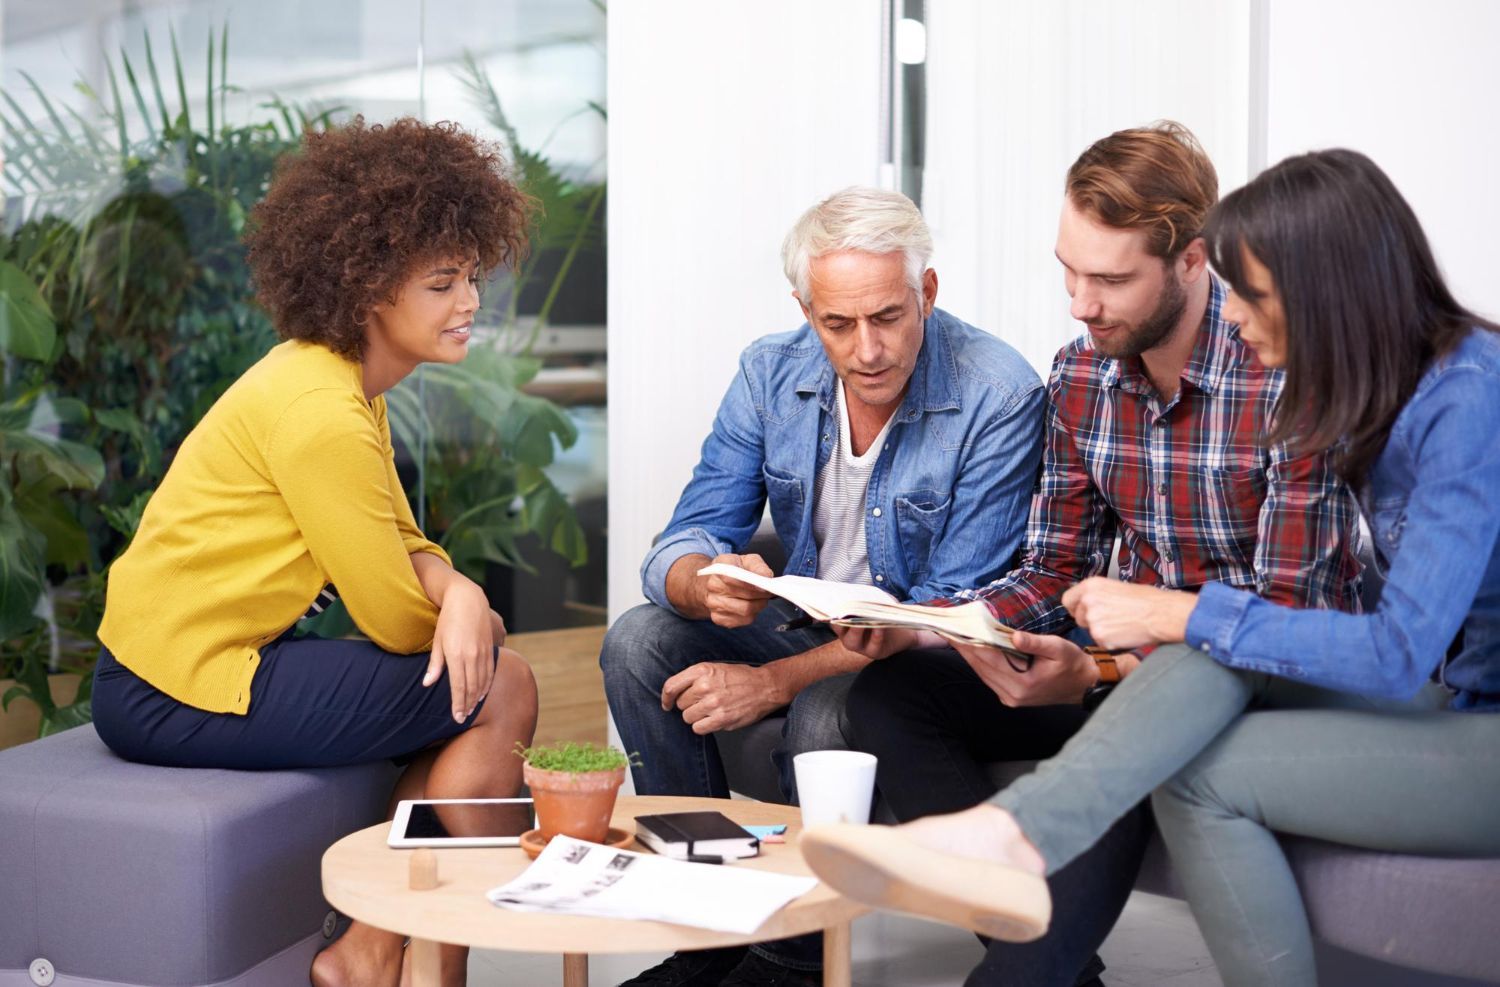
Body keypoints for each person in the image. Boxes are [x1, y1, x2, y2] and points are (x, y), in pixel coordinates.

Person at [803, 147, 1500, 987]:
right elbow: (1057, 563)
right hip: (1401, 690)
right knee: (921, 692)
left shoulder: (1458, 397)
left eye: (1257, 294)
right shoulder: (1376, 387)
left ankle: (1014, 843)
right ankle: (1005, 837)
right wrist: (946, 627)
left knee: (1192, 749)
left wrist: (1167, 620)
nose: (1238, 316)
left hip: (1443, 707)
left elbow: (1389, 648)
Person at [91, 118, 540, 987]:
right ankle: (408, 957)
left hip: (181, 668)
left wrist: (459, 592)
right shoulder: (323, 413)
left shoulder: (330, 377)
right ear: (369, 286)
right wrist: (459, 603)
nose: (470, 302)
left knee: (483, 678)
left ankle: (377, 951)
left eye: (472, 276)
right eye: (442, 282)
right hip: (177, 689)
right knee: (503, 683)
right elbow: (393, 618)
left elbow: (402, 541)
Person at [602, 186, 1044, 986]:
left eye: (888, 317)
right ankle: (708, 940)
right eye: (838, 324)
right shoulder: (771, 371)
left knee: (825, 708)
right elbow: (689, 531)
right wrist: (704, 583)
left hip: (918, 651)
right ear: (807, 310)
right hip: (811, 625)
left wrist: (768, 680)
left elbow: (950, 609)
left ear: (928, 293)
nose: (866, 348)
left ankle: (791, 960)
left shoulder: (998, 393)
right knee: (637, 640)